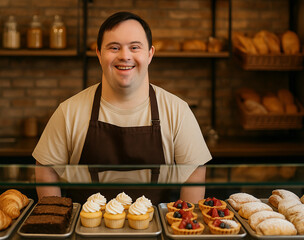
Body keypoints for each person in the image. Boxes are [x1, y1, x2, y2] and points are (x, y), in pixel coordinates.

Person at [33, 11, 212, 204]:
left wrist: (185, 226)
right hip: (85, 232)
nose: (125, 56)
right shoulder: (69, 111)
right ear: (99, 55)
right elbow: (46, 171)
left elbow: (195, 173)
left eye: (135, 47)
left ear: (150, 54)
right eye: (114, 48)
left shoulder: (178, 111)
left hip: (156, 231)